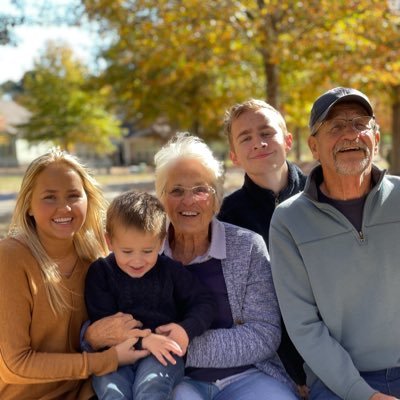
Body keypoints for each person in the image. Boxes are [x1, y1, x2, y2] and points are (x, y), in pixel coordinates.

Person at [83, 132, 298, 399]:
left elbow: (264, 334)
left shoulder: (247, 246)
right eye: (176, 190)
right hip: (173, 379)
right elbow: (104, 324)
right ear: (161, 198)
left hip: (246, 374)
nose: (189, 201)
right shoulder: (139, 252)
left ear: (217, 197)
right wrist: (94, 335)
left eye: (200, 190)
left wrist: (176, 343)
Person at [269, 87, 400, 400]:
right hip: (338, 384)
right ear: (314, 146)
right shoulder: (288, 221)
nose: (350, 135)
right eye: (336, 127)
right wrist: (363, 394)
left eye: (359, 124)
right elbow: (303, 326)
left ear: (377, 139)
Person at [0, 148, 148, 399]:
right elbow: (14, 366)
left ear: (87, 200)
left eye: (73, 195)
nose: (64, 208)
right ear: (29, 206)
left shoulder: (97, 256)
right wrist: (104, 360)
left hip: (86, 391)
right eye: (49, 197)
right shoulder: (10, 258)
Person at [85, 190, 216, 400]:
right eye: (127, 251)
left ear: (161, 242)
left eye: (147, 251)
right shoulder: (101, 273)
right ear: (109, 242)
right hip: (116, 352)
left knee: (151, 387)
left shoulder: (170, 270)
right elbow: (104, 324)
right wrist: (144, 341)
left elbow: (204, 301)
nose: (137, 261)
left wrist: (185, 329)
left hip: (161, 353)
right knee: (113, 391)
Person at [218, 99, 307, 392]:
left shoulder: (322, 195)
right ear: (234, 156)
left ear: (288, 140)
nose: (258, 142)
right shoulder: (228, 219)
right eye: (245, 138)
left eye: (267, 132)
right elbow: (247, 309)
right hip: (277, 362)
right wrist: (293, 374)